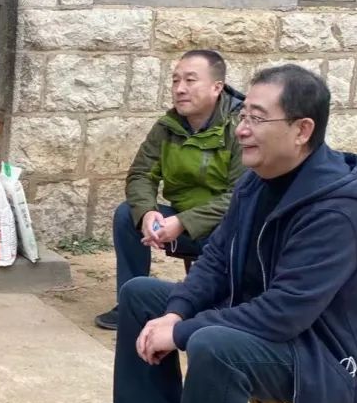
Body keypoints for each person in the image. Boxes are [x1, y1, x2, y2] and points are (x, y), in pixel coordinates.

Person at [92, 65, 357, 403]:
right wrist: (175, 312)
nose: (242, 129)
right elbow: (214, 260)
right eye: (242, 115)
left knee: (215, 343)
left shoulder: (339, 212)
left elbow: (284, 313)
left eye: (256, 117)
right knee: (143, 295)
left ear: (302, 130)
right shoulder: (257, 181)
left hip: (325, 358)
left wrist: (183, 331)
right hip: (277, 332)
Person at [95, 50, 245, 330]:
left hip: (226, 230)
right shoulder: (168, 126)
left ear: (217, 87)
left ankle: (218, 308)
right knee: (127, 215)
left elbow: (241, 196)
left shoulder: (240, 128)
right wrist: (148, 212)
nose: (180, 89)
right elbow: (141, 174)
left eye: (190, 80)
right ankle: (130, 302)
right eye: (175, 80)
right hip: (179, 224)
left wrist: (184, 221)